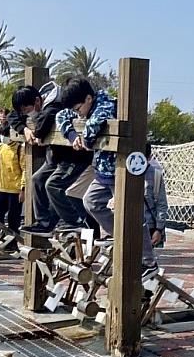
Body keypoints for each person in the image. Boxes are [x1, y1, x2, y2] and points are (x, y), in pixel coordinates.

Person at [57, 77, 156, 272]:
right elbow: (61, 115)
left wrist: (84, 139)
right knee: (91, 202)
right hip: (103, 172)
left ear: (88, 99)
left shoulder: (105, 105)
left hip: (121, 171)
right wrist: (71, 135)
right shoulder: (84, 106)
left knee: (132, 215)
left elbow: (96, 123)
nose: (78, 114)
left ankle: (147, 260)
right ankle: (120, 237)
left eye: (78, 109)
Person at [10, 83, 94, 233]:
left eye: (27, 110)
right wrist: (24, 129)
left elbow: (45, 123)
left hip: (75, 157)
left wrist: (35, 132)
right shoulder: (38, 104)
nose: (27, 115)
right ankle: (44, 222)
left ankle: (75, 221)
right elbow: (12, 116)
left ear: (37, 101)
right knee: (37, 179)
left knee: (53, 185)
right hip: (56, 158)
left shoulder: (55, 105)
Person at [0, 124, 25, 233]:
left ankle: (13, 242)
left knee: (13, 218)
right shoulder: (0, 147)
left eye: (5, 135)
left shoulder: (20, 148)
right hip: (1, 188)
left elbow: (25, 169)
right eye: (2, 135)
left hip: (15, 190)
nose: (3, 137)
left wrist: (23, 189)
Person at [144, 143, 169, 262]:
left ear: (149, 157)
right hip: (129, 225)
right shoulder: (124, 172)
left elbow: (162, 204)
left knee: (147, 262)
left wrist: (159, 229)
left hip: (149, 226)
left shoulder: (155, 175)